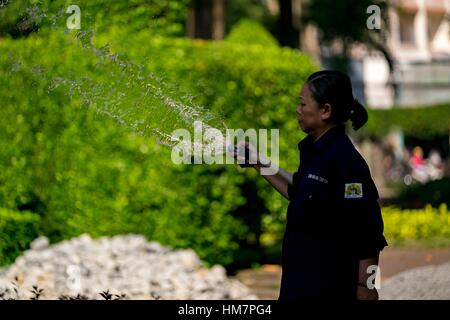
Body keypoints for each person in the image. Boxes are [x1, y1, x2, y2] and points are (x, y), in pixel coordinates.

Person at [232, 70, 388, 300]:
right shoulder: (314, 152)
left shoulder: (345, 160)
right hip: (299, 285)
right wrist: (257, 161)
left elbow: (368, 229)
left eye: (303, 104)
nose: (298, 110)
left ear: (325, 110)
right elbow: (297, 191)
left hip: (329, 289)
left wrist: (366, 286)